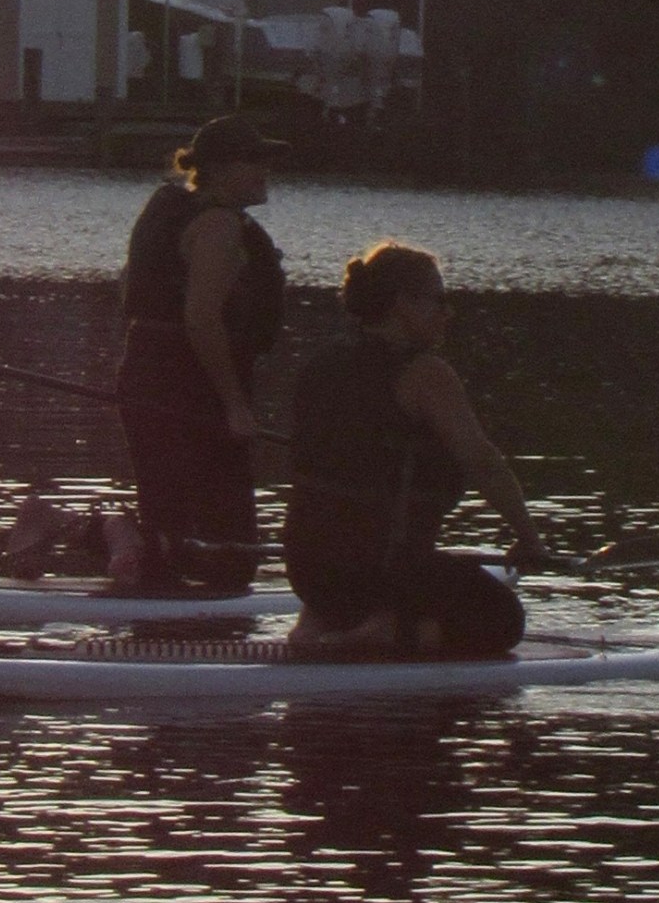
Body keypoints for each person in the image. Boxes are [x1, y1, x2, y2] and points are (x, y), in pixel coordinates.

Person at [283, 241, 548, 657]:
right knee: (503, 620)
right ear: (402, 304)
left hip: (305, 567)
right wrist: (528, 538)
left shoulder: (322, 364)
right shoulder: (425, 374)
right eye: (438, 300)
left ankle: (317, 622)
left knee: (366, 545)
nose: (448, 313)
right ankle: (384, 633)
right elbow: (482, 461)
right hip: (379, 573)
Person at [113, 113, 289, 592]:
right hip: (189, 392)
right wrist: (234, 405)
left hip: (146, 376)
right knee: (232, 552)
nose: (265, 170)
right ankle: (182, 620)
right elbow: (202, 319)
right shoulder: (218, 226)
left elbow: (132, 288)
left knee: (168, 521)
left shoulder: (171, 212)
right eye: (254, 160)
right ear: (221, 169)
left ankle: (102, 538)